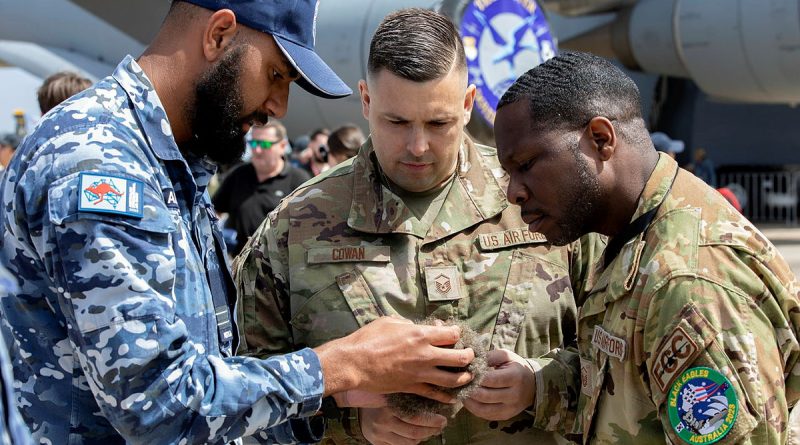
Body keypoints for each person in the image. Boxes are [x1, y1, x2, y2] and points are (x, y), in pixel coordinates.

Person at [0, 1, 477, 443]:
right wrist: (343, 365)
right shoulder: (100, 164)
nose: (278, 108)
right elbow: (157, 405)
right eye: (276, 74)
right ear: (219, 34)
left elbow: (211, 380)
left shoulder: (172, 164)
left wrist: (335, 406)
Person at [233, 9, 603, 445]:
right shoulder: (293, 228)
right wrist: (346, 421)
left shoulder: (542, 203)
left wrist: (540, 387)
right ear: (366, 101)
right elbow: (243, 394)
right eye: (397, 122)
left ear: (467, 105)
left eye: (437, 123)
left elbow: (622, 357)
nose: (418, 146)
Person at [493, 51, 800, 444]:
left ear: (600, 139)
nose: (513, 192)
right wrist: (537, 385)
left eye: (527, 164)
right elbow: (625, 394)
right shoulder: (634, 236)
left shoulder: (688, 282)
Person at [213, 120, 311, 254]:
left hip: (279, 266)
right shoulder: (239, 175)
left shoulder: (298, 180)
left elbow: (310, 226)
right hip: (239, 263)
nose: (257, 150)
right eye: (253, 143)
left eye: (264, 144)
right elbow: (215, 212)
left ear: (282, 146)